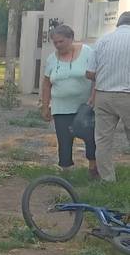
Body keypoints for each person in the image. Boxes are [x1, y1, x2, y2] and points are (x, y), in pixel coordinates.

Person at [40, 25, 98, 178]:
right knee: (64, 139)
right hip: (61, 107)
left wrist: (93, 97)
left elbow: (96, 76)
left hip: (85, 106)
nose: (58, 45)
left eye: (61, 41)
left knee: (91, 137)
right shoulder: (52, 59)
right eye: (55, 42)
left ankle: (93, 169)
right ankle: (66, 172)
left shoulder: (87, 52)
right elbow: (46, 84)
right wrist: (45, 106)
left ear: (71, 38)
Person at [87, 11, 130, 182]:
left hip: (103, 95)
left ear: (118, 24)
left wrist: (107, 74)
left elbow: (89, 73)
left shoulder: (102, 40)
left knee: (103, 141)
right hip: (127, 95)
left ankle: (107, 179)